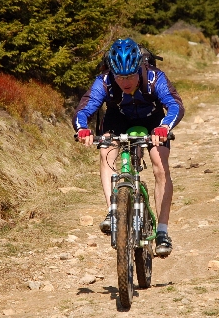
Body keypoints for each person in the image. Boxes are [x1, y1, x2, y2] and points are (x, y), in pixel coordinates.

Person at [72, 38, 185, 257]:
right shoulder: (104, 81)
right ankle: (113, 211)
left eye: (131, 75)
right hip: (118, 118)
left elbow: (174, 104)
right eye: (120, 77)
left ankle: (162, 231)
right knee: (106, 151)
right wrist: (82, 129)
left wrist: (164, 127)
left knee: (160, 163)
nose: (126, 81)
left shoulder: (154, 78)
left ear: (139, 68)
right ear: (112, 72)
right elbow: (84, 109)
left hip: (153, 121)